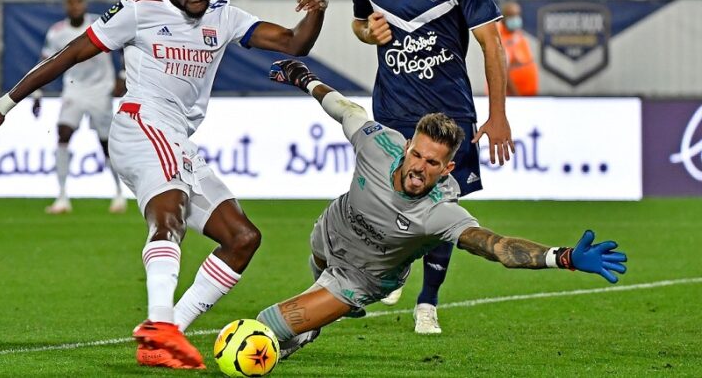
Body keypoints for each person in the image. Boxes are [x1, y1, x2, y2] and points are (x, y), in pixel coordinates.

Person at [0, 0, 327, 370]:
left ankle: (166, 335)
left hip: (177, 138)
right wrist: (4, 105)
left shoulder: (225, 16)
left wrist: (317, 11)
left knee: (242, 239)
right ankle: (160, 324)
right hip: (141, 124)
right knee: (169, 213)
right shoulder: (138, 11)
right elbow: (70, 54)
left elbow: (294, 43)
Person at [259, 58, 627, 359]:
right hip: (330, 230)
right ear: (407, 146)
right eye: (417, 155)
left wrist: (562, 257)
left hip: (363, 277)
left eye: (432, 163)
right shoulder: (378, 144)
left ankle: (312, 324)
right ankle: (317, 315)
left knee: (267, 325)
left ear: (447, 168)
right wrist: (305, 79)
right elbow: (345, 109)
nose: (420, 167)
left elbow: (497, 247)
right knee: (317, 263)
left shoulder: (440, 211)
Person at [350, 0, 514, 334]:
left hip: (449, 114)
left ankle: (428, 302)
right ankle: (392, 270)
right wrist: (367, 32)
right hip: (393, 110)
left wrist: (498, 115)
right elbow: (358, 22)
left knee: (442, 207)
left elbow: (492, 43)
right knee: (388, 201)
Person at [33, 0, 126, 215]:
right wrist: (37, 94)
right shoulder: (57, 32)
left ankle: (119, 192)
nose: (75, 6)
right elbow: (45, 63)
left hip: (101, 90)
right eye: (70, 2)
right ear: (65, 5)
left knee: (106, 144)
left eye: (78, 1)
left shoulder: (100, 23)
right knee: (63, 134)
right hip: (74, 89)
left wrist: (123, 76)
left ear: (85, 3)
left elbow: (125, 47)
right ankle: (62, 196)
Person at [498, 1, 538, 96]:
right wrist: (516, 96)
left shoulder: (517, 33)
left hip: (529, 92)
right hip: (513, 96)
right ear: (503, 18)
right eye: (511, 15)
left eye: (517, 14)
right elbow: (502, 72)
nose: (516, 19)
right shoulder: (499, 38)